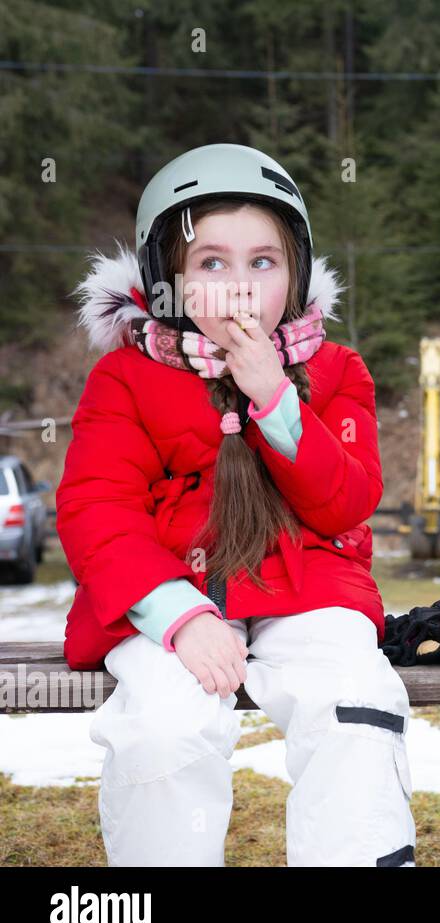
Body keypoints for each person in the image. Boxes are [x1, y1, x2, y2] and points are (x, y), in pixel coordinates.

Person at [60, 144, 416, 867]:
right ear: (170, 276)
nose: (240, 287)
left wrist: (276, 398)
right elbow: (99, 509)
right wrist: (176, 617)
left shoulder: (338, 370)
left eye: (263, 262)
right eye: (212, 264)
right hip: (169, 593)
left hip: (308, 586)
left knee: (354, 700)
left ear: (297, 275)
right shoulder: (124, 377)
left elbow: (345, 502)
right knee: (162, 727)